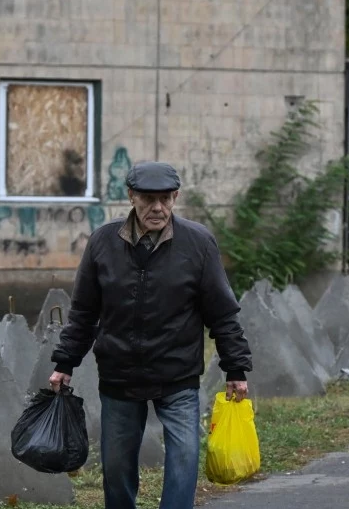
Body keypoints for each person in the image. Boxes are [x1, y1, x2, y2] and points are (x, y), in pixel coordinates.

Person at [49, 161, 252, 509]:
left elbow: (222, 312)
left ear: (175, 197)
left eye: (165, 199)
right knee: (116, 467)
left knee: (184, 461)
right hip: (120, 374)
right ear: (131, 196)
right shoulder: (103, 243)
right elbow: (84, 311)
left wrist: (236, 368)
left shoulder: (198, 243)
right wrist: (65, 362)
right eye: (148, 199)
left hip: (178, 375)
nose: (157, 208)